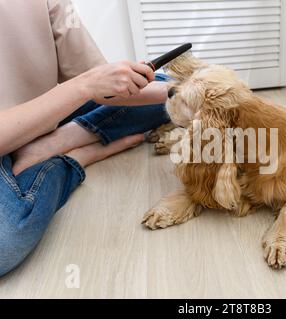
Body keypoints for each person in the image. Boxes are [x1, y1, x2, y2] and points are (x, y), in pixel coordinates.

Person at [0, 0, 171, 276]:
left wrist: (181, 92)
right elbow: (86, 84)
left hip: (42, 116)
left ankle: (58, 140)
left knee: (172, 85)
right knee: (4, 241)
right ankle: (72, 158)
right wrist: (84, 86)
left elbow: (98, 82)